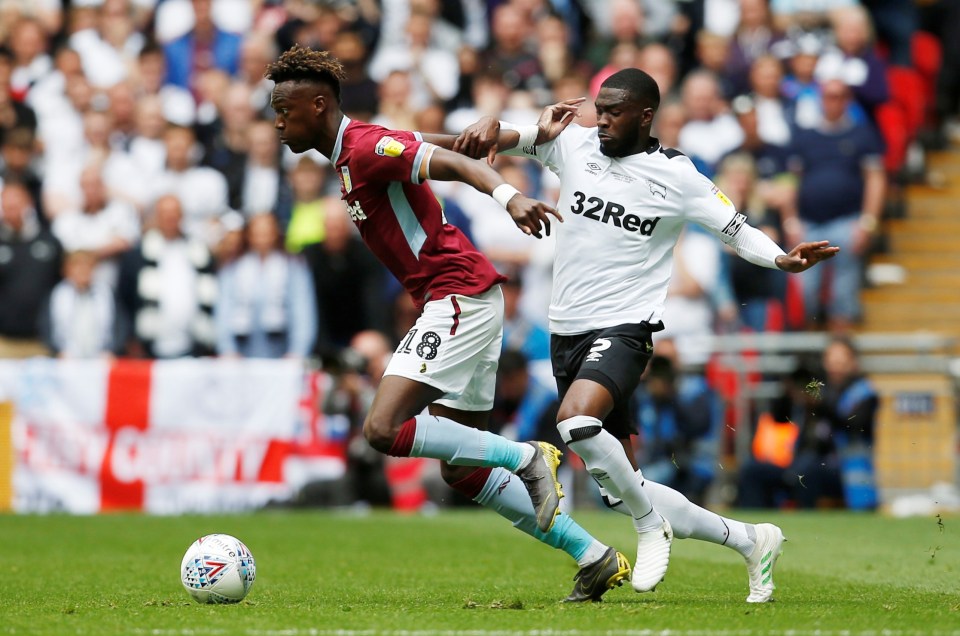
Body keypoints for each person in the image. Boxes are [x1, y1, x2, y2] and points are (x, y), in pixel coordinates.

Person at [451, 67, 839, 601]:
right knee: (623, 485)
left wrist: (780, 258)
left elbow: (733, 226)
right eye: (600, 109)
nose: (602, 119)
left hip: (625, 328)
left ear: (645, 115)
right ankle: (753, 541)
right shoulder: (576, 144)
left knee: (576, 422)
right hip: (564, 331)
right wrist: (484, 126)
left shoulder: (677, 176)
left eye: (613, 111)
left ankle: (650, 525)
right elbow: (502, 140)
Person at [265, 46, 630, 603]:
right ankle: (593, 555)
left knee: (383, 430)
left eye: (284, 110)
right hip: (466, 298)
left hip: (456, 295)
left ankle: (527, 455)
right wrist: (531, 132)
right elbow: (445, 146)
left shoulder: (362, 148)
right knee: (461, 471)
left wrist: (508, 197)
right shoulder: (358, 146)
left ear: (317, 105)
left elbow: (457, 165)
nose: (277, 122)